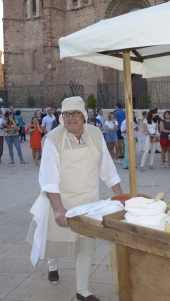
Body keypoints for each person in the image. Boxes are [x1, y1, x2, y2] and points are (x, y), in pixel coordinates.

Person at [27, 96, 122, 301]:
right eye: (66, 114)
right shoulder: (53, 138)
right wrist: (59, 209)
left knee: (85, 244)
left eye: (75, 113)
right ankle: (53, 265)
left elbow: (107, 168)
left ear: (84, 116)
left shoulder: (95, 134)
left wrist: (120, 195)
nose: (71, 118)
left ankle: (82, 290)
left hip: (88, 201)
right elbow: (49, 178)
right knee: (53, 239)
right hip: (59, 200)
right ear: (62, 117)